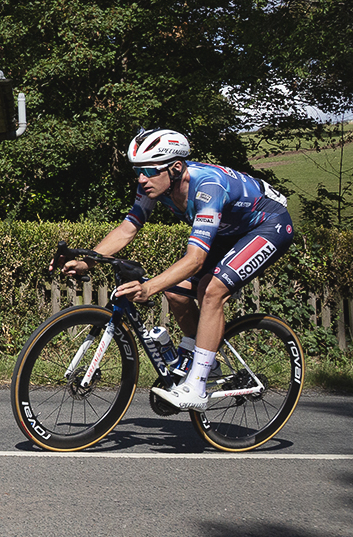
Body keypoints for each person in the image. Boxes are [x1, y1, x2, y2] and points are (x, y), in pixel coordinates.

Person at [54, 128, 293, 410]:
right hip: (230, 231)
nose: (142, 179)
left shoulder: (208, 187)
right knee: (176, 292)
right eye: (137, 172)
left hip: (269, 226)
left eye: (149, 171)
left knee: (212, 290)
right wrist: (87, 261)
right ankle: (210, 361)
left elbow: (195, 260)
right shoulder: (154, 186)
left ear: (176, 168)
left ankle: (198, 386)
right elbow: (127, 229)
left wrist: (148, 287)